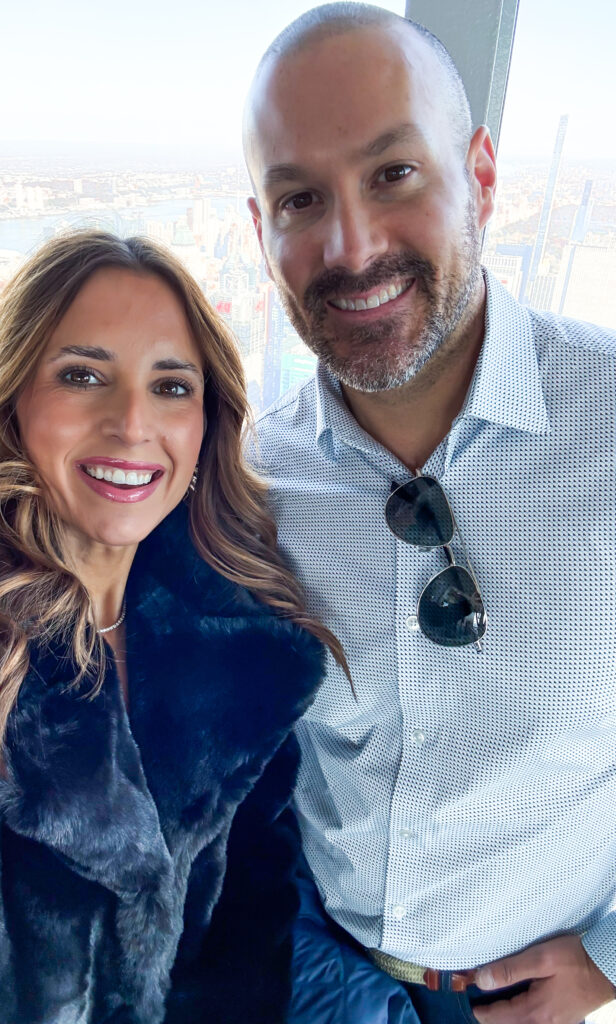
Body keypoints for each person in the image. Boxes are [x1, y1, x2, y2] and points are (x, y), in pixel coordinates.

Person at [0, 229, 340, 1024]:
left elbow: (247, 934)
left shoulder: (246, 656)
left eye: (172, 386)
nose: (132, 422)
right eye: (83, 376)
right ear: (9, 400)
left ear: (206, 424)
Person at [243, 5, 616, 1024]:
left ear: (482, 178)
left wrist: (615, 958)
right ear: (261, 229)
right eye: (300, 197)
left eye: (393, 175)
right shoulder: (246, 480)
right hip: (317, 982)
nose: (350, 245)